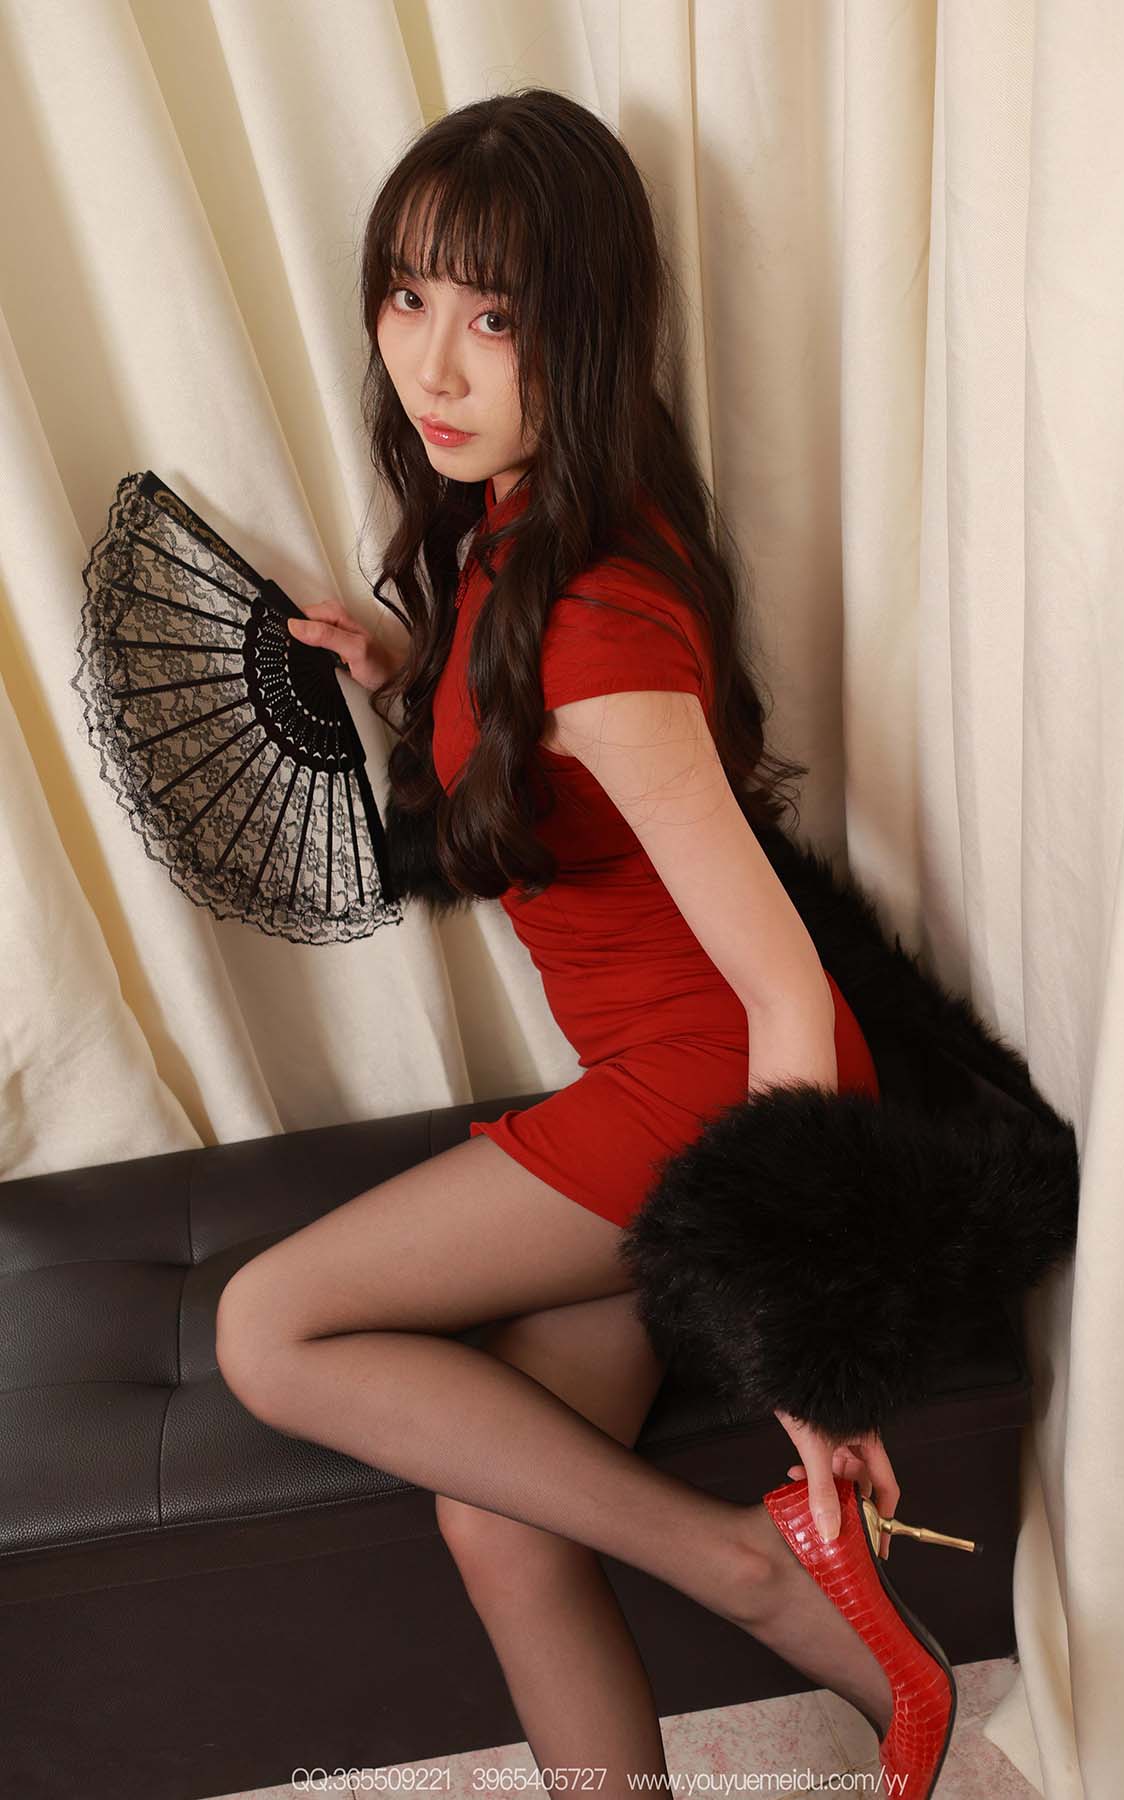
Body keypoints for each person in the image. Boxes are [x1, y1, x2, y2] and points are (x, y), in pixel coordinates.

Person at [217, 88, 954, 1798]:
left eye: (496, 319)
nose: (434, 363)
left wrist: (798, 1349)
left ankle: (752, 1571)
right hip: (655, 1076)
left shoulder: (597, 626)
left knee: (268, 1328)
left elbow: (781, 991)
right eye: (408, 296)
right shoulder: (537, 526)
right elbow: (559, 758)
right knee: (501, 1512)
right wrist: (411, 680)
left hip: (708, 1089)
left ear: (588, 329)